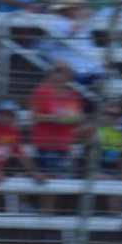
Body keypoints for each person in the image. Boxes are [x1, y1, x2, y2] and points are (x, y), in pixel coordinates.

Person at [28, 62, 83, 211]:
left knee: (58, 180)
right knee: (49, 179)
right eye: (55, 71)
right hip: (46, 143)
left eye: (61, 71)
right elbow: (33, 115)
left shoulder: (72, 95)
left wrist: (69, 118)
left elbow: (76, 117)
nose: (57, 74)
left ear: (68, 75)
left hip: (63, 144)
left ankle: (48, 212)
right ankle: (45, 212)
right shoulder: (42, 91)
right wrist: (53, 118)